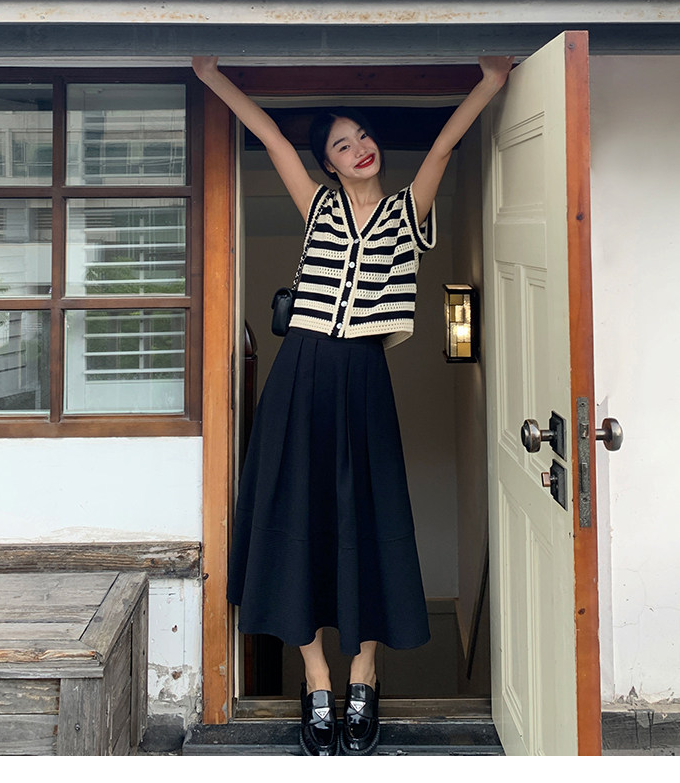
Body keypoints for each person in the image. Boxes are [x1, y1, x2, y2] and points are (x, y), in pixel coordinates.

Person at [191, 54, 513, 756]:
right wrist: (213, 79)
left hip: (364, 376)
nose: (359, 148)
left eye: (362, 135)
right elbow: (270, 136)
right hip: (299, 372)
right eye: (342, 144)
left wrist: (488, 85)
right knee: (297, 516)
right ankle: (316, 678)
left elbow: (442, 148)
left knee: (366, 517)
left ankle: (364, 673)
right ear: (328, 164)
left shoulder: (406, 212)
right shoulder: (318, 206)